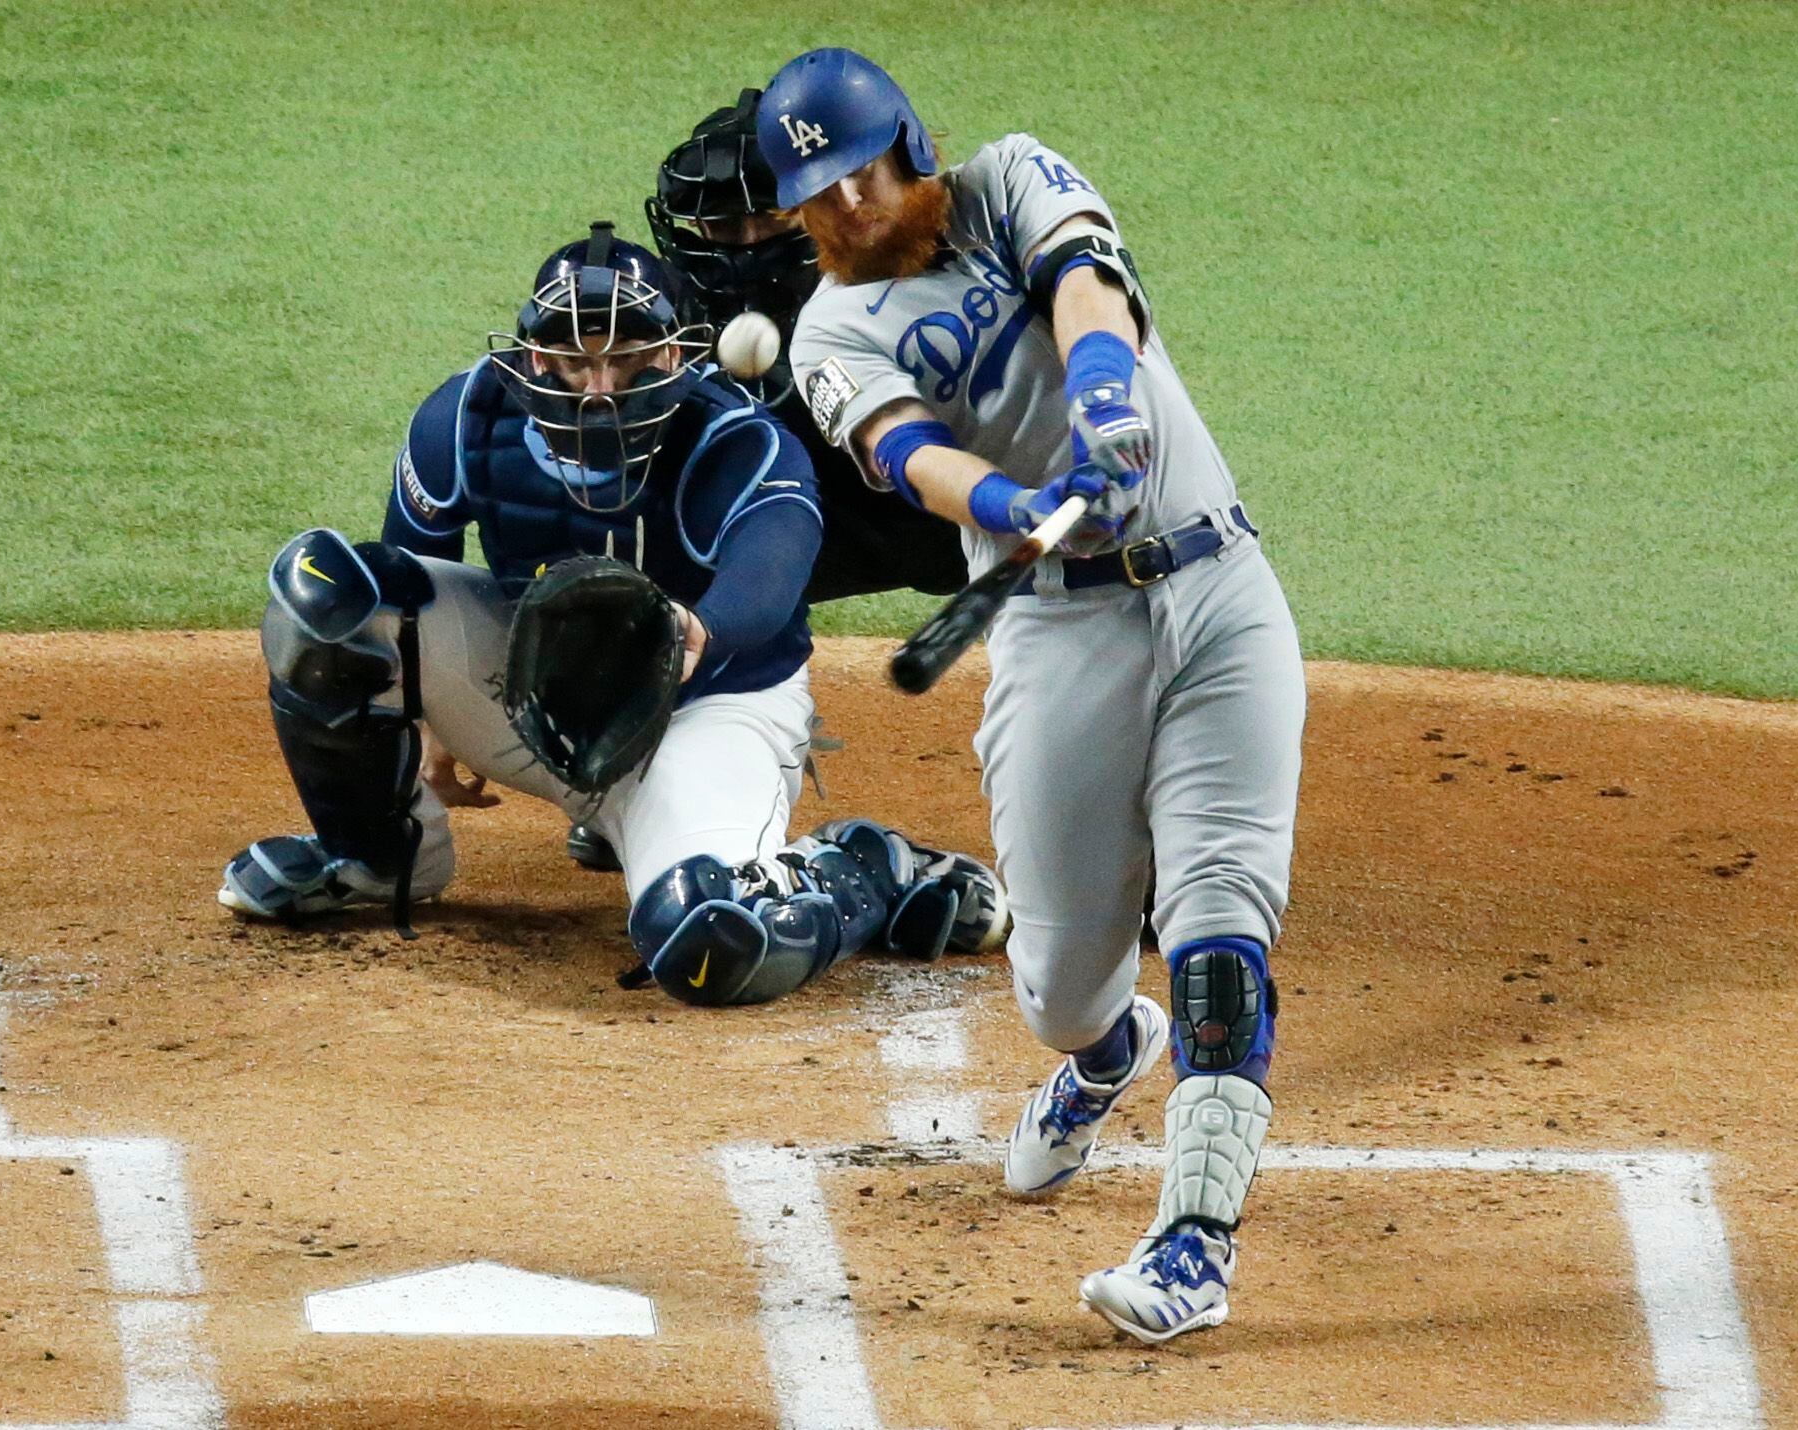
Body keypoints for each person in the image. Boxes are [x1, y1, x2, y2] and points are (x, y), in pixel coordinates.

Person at [757, 50, 1306, 1341]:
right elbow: (905, 450)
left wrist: (1108, 397)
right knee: (1060, 983)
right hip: (1061, 639)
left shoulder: (1009, 178)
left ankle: (1194, 1244)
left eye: (851, 179)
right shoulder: (827, 328)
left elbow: (1085, 287)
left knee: (1222, 915)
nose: (835, 214)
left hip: (1221, 588)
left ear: (907, 145)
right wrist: (1005, 502)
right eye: (808, 200)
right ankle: (1110, 1049)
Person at [217, 222, 1008, 1008]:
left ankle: (863, 868)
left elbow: (769, 580)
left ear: (674, 356)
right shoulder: (465, 420)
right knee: (322, 594)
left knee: (715, 941)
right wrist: (423, 721)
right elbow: (399, 581)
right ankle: (378, 856)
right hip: (531, 699)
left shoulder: (737, 442)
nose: (598, 385)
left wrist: (691, 630)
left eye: (626, 356)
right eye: (572, 358)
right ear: (531, 357)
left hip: (705, 715)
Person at [648, 88, 968, 605]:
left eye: (772, 218)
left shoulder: (895, 283)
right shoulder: (667, 312)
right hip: (776, 539)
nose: (748, 243)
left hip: (925, 526)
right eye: (724, 225)